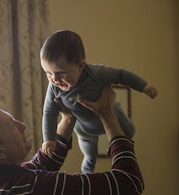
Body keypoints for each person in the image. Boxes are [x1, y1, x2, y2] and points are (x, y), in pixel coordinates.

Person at [0, 86, 144, 195]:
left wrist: (67, 119)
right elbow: (129, 182)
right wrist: (108, 116)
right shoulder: (33, 186)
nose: (22, 125)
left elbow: (41, 164)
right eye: (12, 125)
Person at [41, 29, 158, 173]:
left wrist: (144, 86)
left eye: (61, 73)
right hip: (85, 129)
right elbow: (48, 113)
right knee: (90, 155)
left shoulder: (95, 74)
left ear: (81, 66)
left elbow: (121, 75)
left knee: (129, 133)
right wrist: (49, 139)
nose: (54, 79)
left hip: (112, 114)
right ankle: (87, 173)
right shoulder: (54, 88)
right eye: (48, 73)